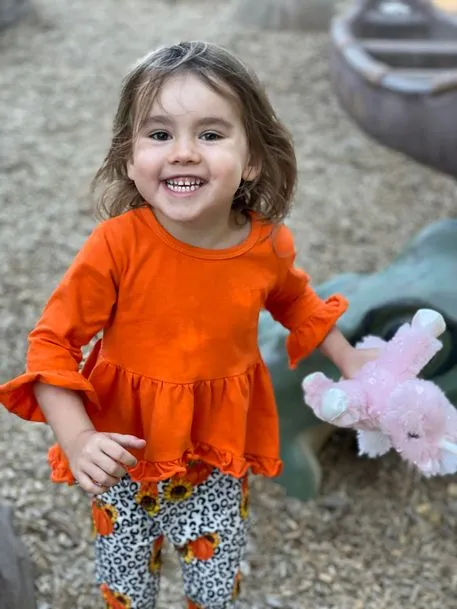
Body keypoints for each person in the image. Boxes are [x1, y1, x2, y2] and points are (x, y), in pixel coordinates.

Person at [0, 41, 376, 609]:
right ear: (128, 157)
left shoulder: (265, 245)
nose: (183, 153)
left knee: (216, 592)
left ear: (251, 159)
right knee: (127, 595)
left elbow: (298, 303)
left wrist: (353, 362)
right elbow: (52, 344)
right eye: (158, 134)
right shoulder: (116, 248)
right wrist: (77, 439)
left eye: (210, 134)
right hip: (124, 461)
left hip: (217, 461)